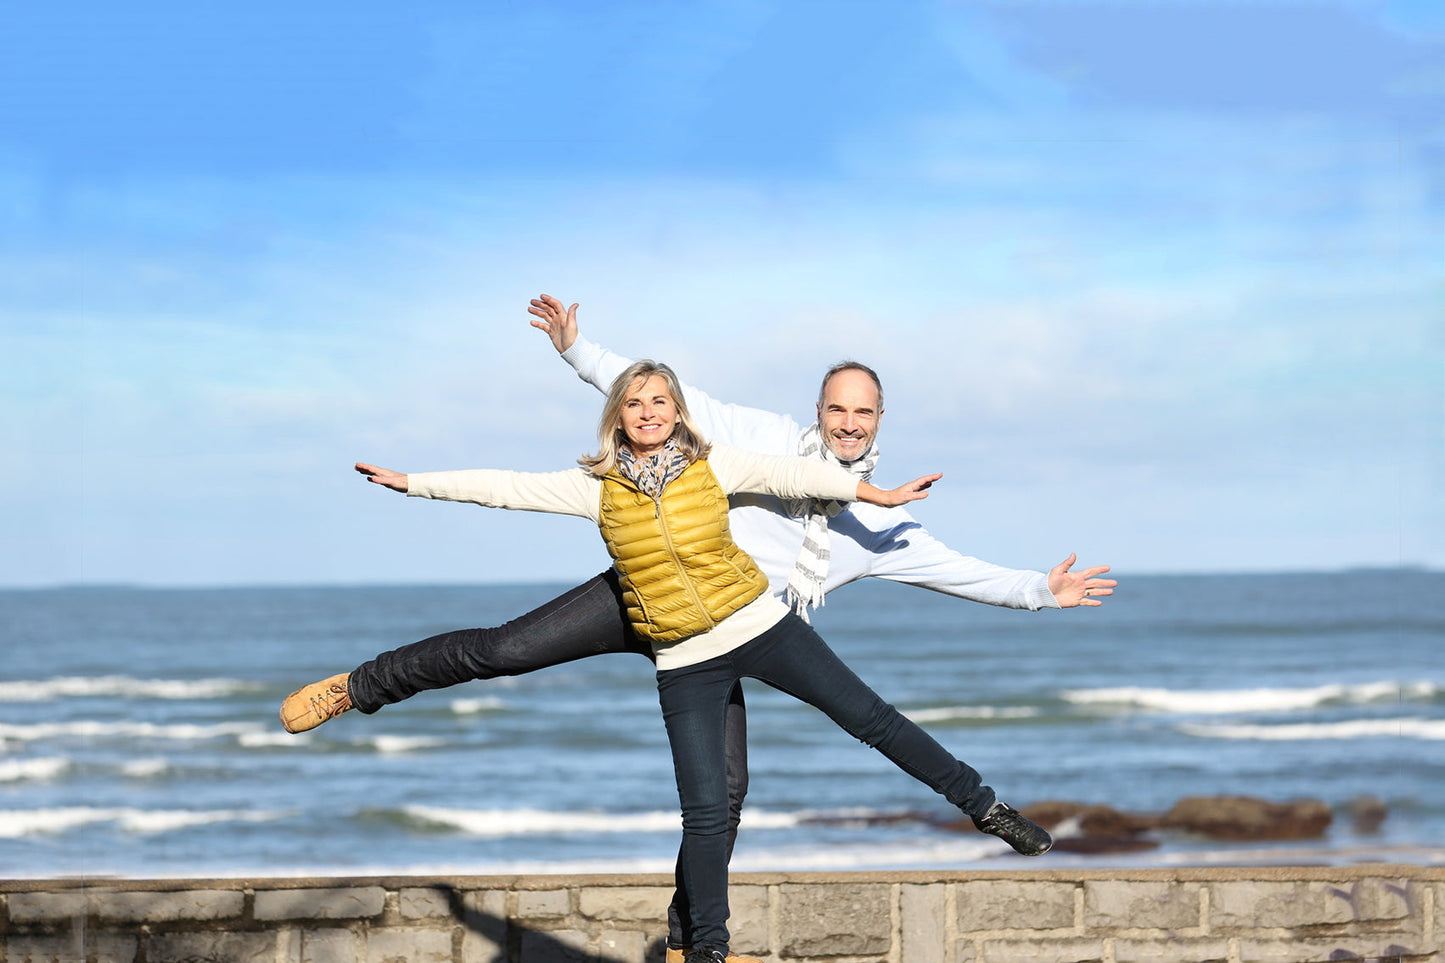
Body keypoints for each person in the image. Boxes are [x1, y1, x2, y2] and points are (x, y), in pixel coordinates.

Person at [280, 295, 1116, 961]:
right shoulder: (735, 440)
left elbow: (957, 570)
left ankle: (694, 943)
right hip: (644, 600)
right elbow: (571, 443)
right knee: (503, 648)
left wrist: (1038, 588)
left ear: (880, 419)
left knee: (734, 794)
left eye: (863, 412)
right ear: (819, 408)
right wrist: (571, 353)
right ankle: (358, 685)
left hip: (744, 622)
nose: (848, 421)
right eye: (836, 406)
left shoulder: (873, 526)